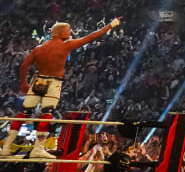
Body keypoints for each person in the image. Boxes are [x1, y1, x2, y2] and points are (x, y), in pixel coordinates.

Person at [10, 18, 120, 157]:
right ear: (60, 33)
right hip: (53, 82)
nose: (70, 32)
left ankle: (7, 146)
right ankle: (38, 149)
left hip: (38, 81)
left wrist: (23, 83)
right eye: (67, 30)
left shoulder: (39, 48)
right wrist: (110, 25)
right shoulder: (65, 45)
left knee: (24, 112)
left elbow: (24, 66)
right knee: (47, 113)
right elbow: (90, 37)